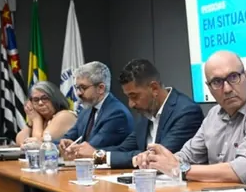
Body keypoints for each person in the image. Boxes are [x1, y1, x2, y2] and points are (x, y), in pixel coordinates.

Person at [135, 51, 246, 185]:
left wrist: (180, 169)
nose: (227, 89)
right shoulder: (214, 115)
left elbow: (243, 170)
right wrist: (156, 160)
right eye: (217, 82)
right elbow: (188, 155)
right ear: (208, 87)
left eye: (233, 77)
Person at [68, 58, 204, 169]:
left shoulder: (186, 112)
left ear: (154, 88)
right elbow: (123, 149)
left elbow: (156, 157)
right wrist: (92, 153)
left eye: (134, 96)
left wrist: (97, 156)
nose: (131, 104)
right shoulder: (147, 113)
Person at [59, 61, 134, 158]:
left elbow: (91, 148)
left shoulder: (117, 114)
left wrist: (72, 148)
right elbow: (70, 136)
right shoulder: (87, 109)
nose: (78, 93)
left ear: (101, 88)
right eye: (77, 87)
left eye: (83, 88)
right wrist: (64, 142)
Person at [15, 81, 77, 145]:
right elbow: (20, 140)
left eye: (45, 98)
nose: (40, 103)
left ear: (55, 98)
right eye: (36, 100)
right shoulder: (42, 118)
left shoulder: (65, 115)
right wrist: (31, 123)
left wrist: (36, 119)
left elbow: (39, 144)